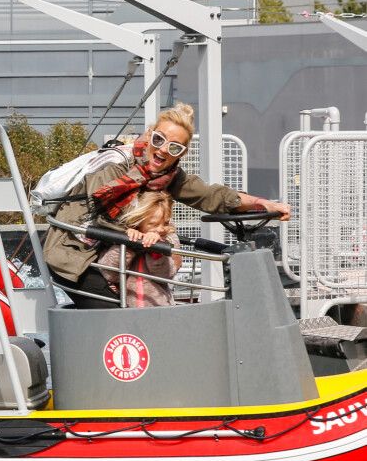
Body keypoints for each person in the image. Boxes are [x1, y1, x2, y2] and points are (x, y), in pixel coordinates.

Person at [43, 103, 291, 309]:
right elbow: (100, 214)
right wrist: (148, 235)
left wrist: (261, 203)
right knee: (118, 314)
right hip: (75, 255)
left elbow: (210, 195)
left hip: (115, 254)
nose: (162, 150)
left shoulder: (166, 175)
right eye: (159, 139)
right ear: (150, 135)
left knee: (146, 303)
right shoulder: (116, 165)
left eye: (174, 147)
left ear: (180, 154)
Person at [97, 191, 182, 307]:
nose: (161, 229)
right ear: (139, 221)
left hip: (158, 307)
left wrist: (157, 249)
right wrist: (128, 245)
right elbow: (109, 274)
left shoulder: (169, 239)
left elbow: (165, 276)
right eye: (154, 224)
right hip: (125, 307)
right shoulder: (123, 235)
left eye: (166, 223)